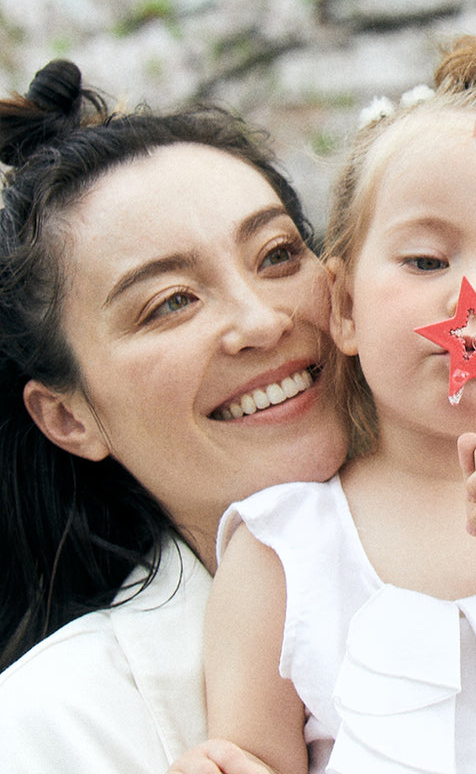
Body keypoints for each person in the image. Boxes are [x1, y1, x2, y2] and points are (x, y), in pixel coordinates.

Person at [0, 57, 476, 774]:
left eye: (275, 254)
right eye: (169, 302)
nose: (472, 303)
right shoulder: (269, 564)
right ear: (349, 300)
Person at [0, 60, 351, 772]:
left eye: (279, 254)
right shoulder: (49, 729)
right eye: (170, 302)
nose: (259, 321)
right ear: (69, 418)